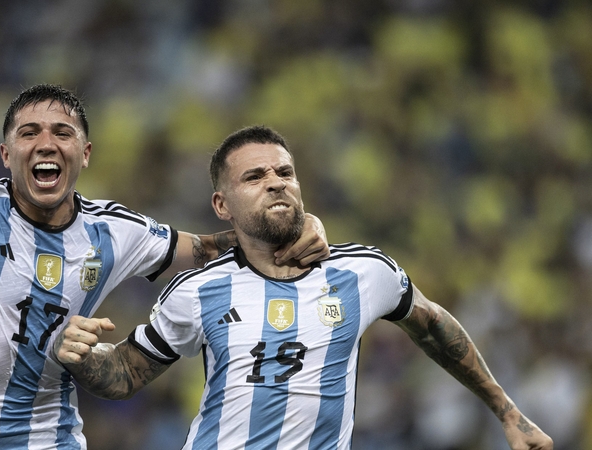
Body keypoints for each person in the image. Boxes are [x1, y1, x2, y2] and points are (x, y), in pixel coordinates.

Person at [0, 9, 331, 450]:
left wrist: (295, 226)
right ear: (6, 155)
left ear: (84, 154)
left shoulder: (114, 232)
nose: (46, 143)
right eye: (29, 133)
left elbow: (206, 248)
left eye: (62, 133)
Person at [55, 125, 554, 449]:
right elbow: (124, 374)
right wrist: (82, 355)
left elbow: (432, 325)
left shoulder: (364, 272)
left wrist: (508, 412)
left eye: (285, 172)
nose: (275, 181)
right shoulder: (198, 290)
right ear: (221, 205)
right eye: (254, 176)